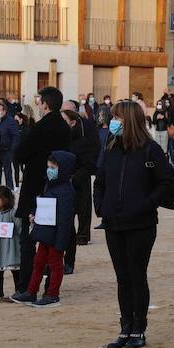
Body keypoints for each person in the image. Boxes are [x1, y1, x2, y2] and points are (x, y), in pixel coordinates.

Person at [95, 101, 173, 348]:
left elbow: (167, 182)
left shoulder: (150, 150)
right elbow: (101, 180)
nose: (112, 123)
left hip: (140, 223)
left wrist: (146, 203)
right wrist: (101, 206)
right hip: (113, 222)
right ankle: (125, 326)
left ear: (129, 120)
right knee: (122, 278)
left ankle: (139, 328)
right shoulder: (110, 147)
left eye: (117, 118)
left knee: (136, 276)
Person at [13, 87, 71, 295]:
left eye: (39, 102)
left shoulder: (40, 127)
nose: (38, 105)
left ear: (45, 105)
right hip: (55, 189)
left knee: (28, 240)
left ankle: (26, 286)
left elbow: (19, 153)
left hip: (35, 186)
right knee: (50, 240)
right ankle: (50, 287)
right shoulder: (65, 128)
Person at [13, 151, 77, 307]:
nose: (50, 170)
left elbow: (66, 219)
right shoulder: (48, 184)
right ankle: (31, 292)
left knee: (55, 264)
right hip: (44, 232)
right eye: (49, 167)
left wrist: (62, 241)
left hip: (56, 235)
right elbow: (42, 203)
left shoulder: (67, 191)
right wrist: (35, 213)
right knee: (39, 261)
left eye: (53, 167)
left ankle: (52, 294)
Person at [61, 101, 101, 265]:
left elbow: (93, 149)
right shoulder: (61, 133)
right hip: (65, 177)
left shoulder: (86, 127)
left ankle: (83, 234)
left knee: (83, 206)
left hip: (80, 174)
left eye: (65, 112)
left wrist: (78, 174)